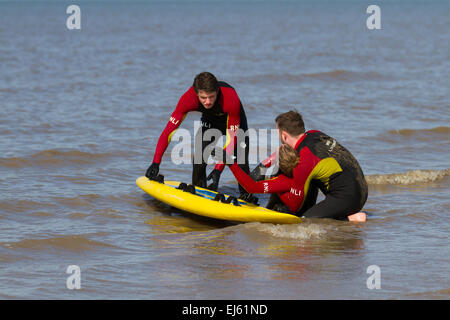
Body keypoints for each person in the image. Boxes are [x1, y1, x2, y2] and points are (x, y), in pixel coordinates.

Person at [219, 110, 368, 221]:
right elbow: (278, 156)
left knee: (305, 221)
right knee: (312, 177)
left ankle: (349, 218)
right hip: (360, 185)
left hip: (348, 198)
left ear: (284, 135)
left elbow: (295, 203)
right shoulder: (314, 134)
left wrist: (278, 192)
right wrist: (259, 172)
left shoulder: (303, 162)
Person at [145, 71, 253, 199]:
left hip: (235, 122)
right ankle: (199, 192)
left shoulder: (230, 98)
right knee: (199, 159)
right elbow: (168, 132)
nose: (207, 102)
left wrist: (218, 169)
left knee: (240, 160)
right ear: (196, 94)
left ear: (217, 91)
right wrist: (156, 162)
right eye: (203, 98)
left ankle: (247, 196)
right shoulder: (187, 99)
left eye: (211, 97)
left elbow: (232, 139)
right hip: (210, 121)